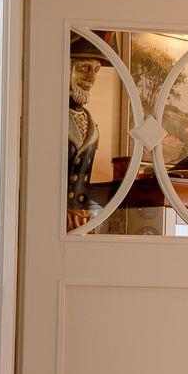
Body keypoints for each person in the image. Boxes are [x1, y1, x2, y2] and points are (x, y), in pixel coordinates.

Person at [66, 34, 108, 231]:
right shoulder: (47, 117)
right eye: (84, 68)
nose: (91, 78)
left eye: (96, 70)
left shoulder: (91, 124)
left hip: (78, 218)